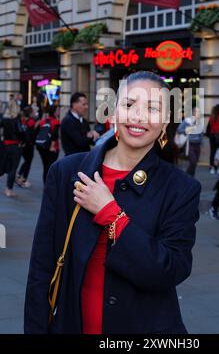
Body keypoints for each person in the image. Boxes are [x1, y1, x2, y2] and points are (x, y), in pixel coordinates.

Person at [24, 71, 201, 334]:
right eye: (129, 105)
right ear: (114, 112)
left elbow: (170, 270)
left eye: (152, 108)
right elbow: (42, 268)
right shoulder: (66, 173)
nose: (138, 116)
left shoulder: (180, 188)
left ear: (165, 122)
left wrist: (111, 214)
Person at [1, 98, 23, 197]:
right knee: (13, 168)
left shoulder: (4, 118)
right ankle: (8, 189)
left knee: (7, 165)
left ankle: (8, 189)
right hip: (14, 146)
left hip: (5, 145)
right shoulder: (16, 119)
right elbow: (20, 132)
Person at [176, 107, 203, 177]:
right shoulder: (187, 121)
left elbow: (201, 133)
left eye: (199, 112)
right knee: (193, 162)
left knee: (195, 163)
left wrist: (201, 143)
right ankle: (187, 176)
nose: (199, 114)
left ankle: (191, 177)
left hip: (197, 144)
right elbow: (179, 130)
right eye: (197, 112)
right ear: (193, 113)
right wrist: (187, 130)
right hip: (189, 144)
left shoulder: (199, 122)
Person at [36, 105, 60, 183]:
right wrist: (52, 146)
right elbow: (55, 136)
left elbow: (36, 132)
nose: (59, 112)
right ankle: (49, 184)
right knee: (50, 166)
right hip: (51, 148)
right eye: (57, 110)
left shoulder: (43, 121)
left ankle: (45, 184)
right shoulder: (56, 122)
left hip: (41, 146)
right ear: (54, 112)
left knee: (45, 166)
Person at [16, 107, 37, 188]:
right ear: (30, 113)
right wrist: (29, 142)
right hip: (28, 144)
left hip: (23, 143)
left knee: (26, 161)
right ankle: (23, 179)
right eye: (33, 111)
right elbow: (29, 134)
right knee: (28, 162)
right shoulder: (31, 121)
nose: (34, 112)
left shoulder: (23, 120)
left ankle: (19, 175)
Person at [206, 104, 219, 174]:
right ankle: (218, 166)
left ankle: (212, 166)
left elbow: (208, 127)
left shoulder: (212, 117)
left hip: (212, 136)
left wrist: (208, 135)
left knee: (212, 152)